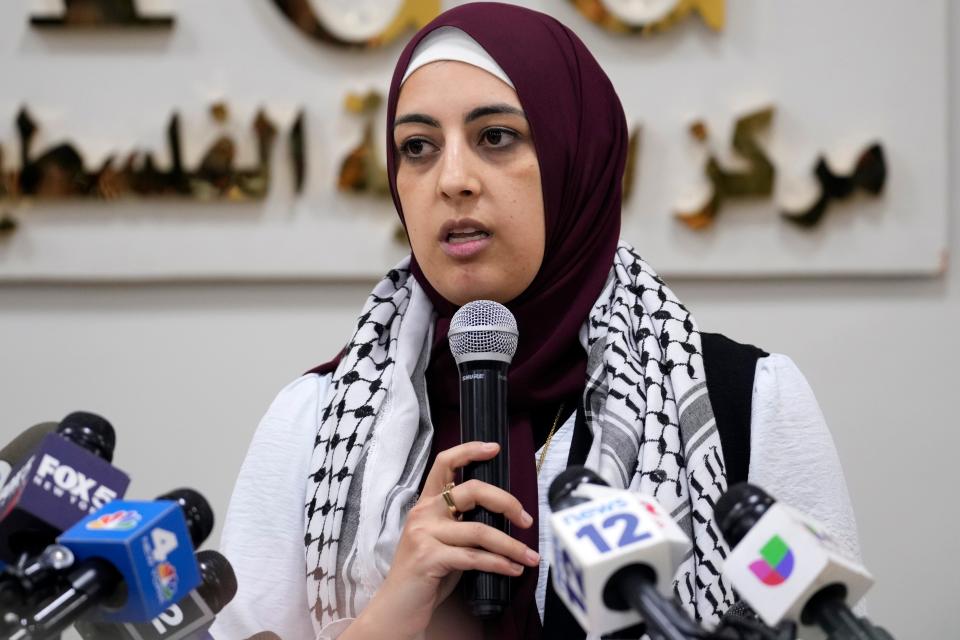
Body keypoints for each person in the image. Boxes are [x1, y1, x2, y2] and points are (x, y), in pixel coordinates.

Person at [210, 4, 861, 639]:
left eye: (496, 137)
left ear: (577, 156)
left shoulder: (744, 403)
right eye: (418, 147)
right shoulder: (313, 423)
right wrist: (387, 618)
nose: (453, 179)